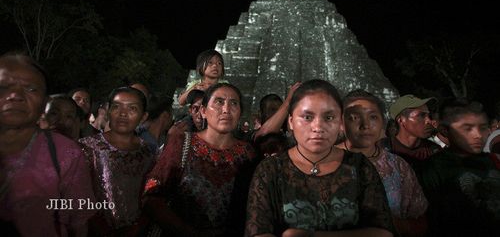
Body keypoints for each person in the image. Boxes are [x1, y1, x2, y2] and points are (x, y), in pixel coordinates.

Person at [245, 79, 395, 237]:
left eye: (329, 118)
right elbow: (258, 231)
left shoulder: (360, 167)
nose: (318, 127)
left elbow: (383, 232)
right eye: (307, 117)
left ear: (340, 122)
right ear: (290, 122)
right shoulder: (270, 170)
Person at [143, 83, 256, 236]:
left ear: (240, 112)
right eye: (219, 102)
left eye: (234, 103)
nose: (226, 110)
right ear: (203, 111)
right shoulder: (181, 143)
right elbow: (151, 195)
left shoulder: (248, 153)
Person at [0, 53, 95, 236]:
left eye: (30, 88)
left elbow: (79, 221)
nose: (15, 96)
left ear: (42, 102)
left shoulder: (67, 153)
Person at [340, 89, 428, 237]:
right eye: (354, 117)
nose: (365, 125)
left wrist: (397, 224)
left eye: (373, 117)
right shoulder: (318, 162)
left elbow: (421, 222)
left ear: (383, 122)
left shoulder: (398, 167)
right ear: (341, 123)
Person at [79, 86, 156, 236]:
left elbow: (151, 198)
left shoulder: (149, 153)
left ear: (144, 116)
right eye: (116, 107)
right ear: (108, 111)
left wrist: (138, 227)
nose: (122, 114)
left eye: (132, 108)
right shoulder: (86, 147)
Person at [419, 98, 500, 236]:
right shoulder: (432, 168)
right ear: (445, 130)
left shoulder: (491, 161)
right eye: (467, 128)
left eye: (483, 127)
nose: (478, 135)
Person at [381, 94, 441, 175]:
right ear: (401, 120)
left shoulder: (434, 151)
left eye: (428, 116)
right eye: (421, 115)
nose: (429, 121)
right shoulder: (381, 149)